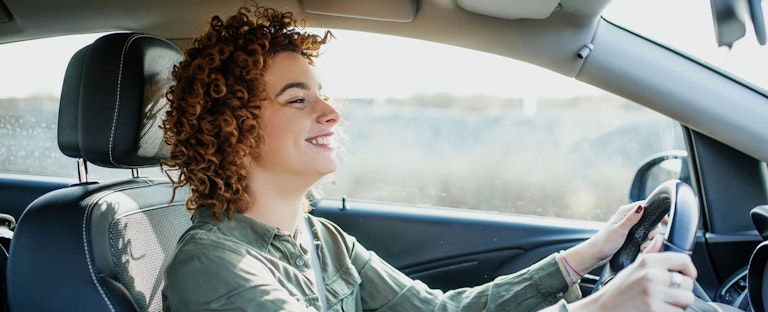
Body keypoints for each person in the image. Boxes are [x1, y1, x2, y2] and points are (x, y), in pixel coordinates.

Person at [160, 3, 698, 311]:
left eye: (323, 94)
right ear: (230, 128)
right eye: (298, 99)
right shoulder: (211, 266)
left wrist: (583, 259)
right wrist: (601, 308)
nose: (332, 113)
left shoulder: (322, 240)